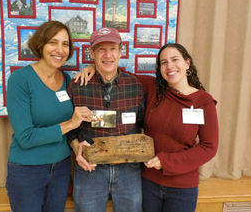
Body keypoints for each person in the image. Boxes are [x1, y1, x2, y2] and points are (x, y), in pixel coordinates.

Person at [75, 43, 219, 212]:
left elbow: (209, 147)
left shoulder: (203, 101)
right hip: (148, 181)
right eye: (164, 62)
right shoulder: (152, 87)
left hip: (182, 186)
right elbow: (113, 72)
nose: (170, 66)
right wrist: (94, 65)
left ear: (187, 63)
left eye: (175, 60)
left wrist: (166, 161)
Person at [5, 21, 92, 212]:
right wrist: (70, 124)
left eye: (65, 44)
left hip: (61, 168)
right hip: (27, 170)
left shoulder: (67, 80)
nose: (60, 50)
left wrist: (91, 68)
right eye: (53, 42)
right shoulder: (20, 80)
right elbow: (26, 138)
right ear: (40, 45)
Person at [67, 27, 145, 212]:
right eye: (101, 49)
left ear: (120, 52)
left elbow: (143, 124)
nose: (108, 55)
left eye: (112, 48)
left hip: (129, 171)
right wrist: (77, 147)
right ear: (92, 53)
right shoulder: (77, 86)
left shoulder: (135, 85)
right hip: (90, 169)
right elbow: (69, 129)